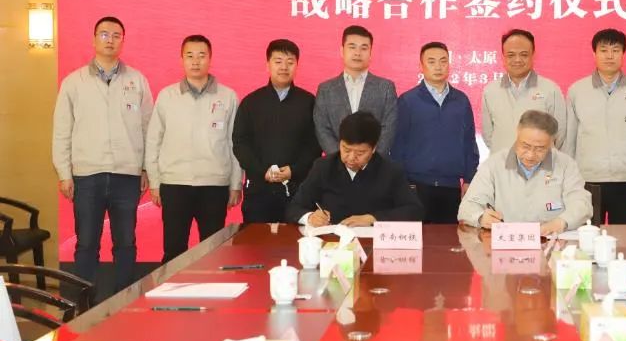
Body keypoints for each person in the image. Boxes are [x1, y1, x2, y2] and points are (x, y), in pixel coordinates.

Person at [52, 16, 153, 293]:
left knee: (126, 242)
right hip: (87, 176)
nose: (110, 40)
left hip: (127, 175)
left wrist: (146, 169)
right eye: (104, 34)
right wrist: (64, 173)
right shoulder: (74, 82)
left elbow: (148, 128)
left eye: (116, 35)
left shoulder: (137, 81)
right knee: (86, 243)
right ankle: (84, 304)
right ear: (94, 39)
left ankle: (125, 300)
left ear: (123, 41)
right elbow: (62, 131)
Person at [145, 35, 242, 263]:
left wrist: (235, 184)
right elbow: (153, 141)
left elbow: (234, 144)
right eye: (190, 56)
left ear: (210, 58)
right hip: (175, 184)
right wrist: (155, 182)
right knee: (173, 250)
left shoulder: (228, 96)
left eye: (201, 55)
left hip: (214, 185)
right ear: (182, 59)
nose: (195, 61)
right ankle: (171, 288)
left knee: (213, 252)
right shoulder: (167, 96)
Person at [564, 29, 626, 224]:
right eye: (604, 50)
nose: (609, 56)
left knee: (623, 238)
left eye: (615, 50)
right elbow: (569, 141)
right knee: (587, 237)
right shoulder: (577, 91)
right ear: (594, 54)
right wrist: (568, 182)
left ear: (623, 54)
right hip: (587, 180)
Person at [458, 110, 592, 235]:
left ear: (552, 142)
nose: (530, 155)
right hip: (506, 242)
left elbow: (581, 204)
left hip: (549, 242)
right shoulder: (494, 164)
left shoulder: (566, 165)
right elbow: (467, 207)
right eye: (525, 146)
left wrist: (562, 222)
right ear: (517, 133)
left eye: (540, 149)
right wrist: (481, 217)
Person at [232, 39, 320, 223]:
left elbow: (314, 145)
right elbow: (240, 143)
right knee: (257, 240)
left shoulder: (308, 102)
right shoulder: (251, 102)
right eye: (278, 61)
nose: (284, 67)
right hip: (258, 191)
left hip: (297, 191)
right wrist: (261, 171)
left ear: (297, 65)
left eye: (290, 62)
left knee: (296, 240)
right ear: (268, 65)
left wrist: (294, 170)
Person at [392, 41, 480, 223]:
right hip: (416, 186)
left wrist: (469, 180)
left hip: (451, 187)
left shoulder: (461, 100)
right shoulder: (408, 101)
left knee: (450, 239)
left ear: (449, 64)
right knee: (417, 238)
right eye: (431, 61)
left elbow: (469, 143)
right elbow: (398, 146)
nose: (438, 67)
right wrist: (402, 184)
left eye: (443, 61)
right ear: (421, 66)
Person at [286, 111, 423, 226]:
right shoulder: (323, 166)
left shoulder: (391, 170)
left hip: (372, 242)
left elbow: (414, 210)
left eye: (360, 153)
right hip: (333, 241)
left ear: (373, 149)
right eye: (346, 149)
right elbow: (294, 208)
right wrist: (310, 217)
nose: (351, 158)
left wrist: (373, 218)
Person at [313, 25, 398, 156]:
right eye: (352, 47)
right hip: (337, 164)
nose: (358, 53)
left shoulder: (385, 88)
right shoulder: (326, 89)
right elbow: (322, 129)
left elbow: (388, 128)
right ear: (342, 51)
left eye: (364, 48)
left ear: (371, 53)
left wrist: (369, 159)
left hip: (374, 164)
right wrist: (342, 158)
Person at [481, 29, 566, 153]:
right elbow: (488, 135)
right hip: (502, 162)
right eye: (511, 55)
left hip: (539, 163)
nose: (517, 60)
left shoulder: (550, 89)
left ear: (533, 55)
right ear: (503, 57)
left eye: (524, 54)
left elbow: (559, 134)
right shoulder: (490, 91)